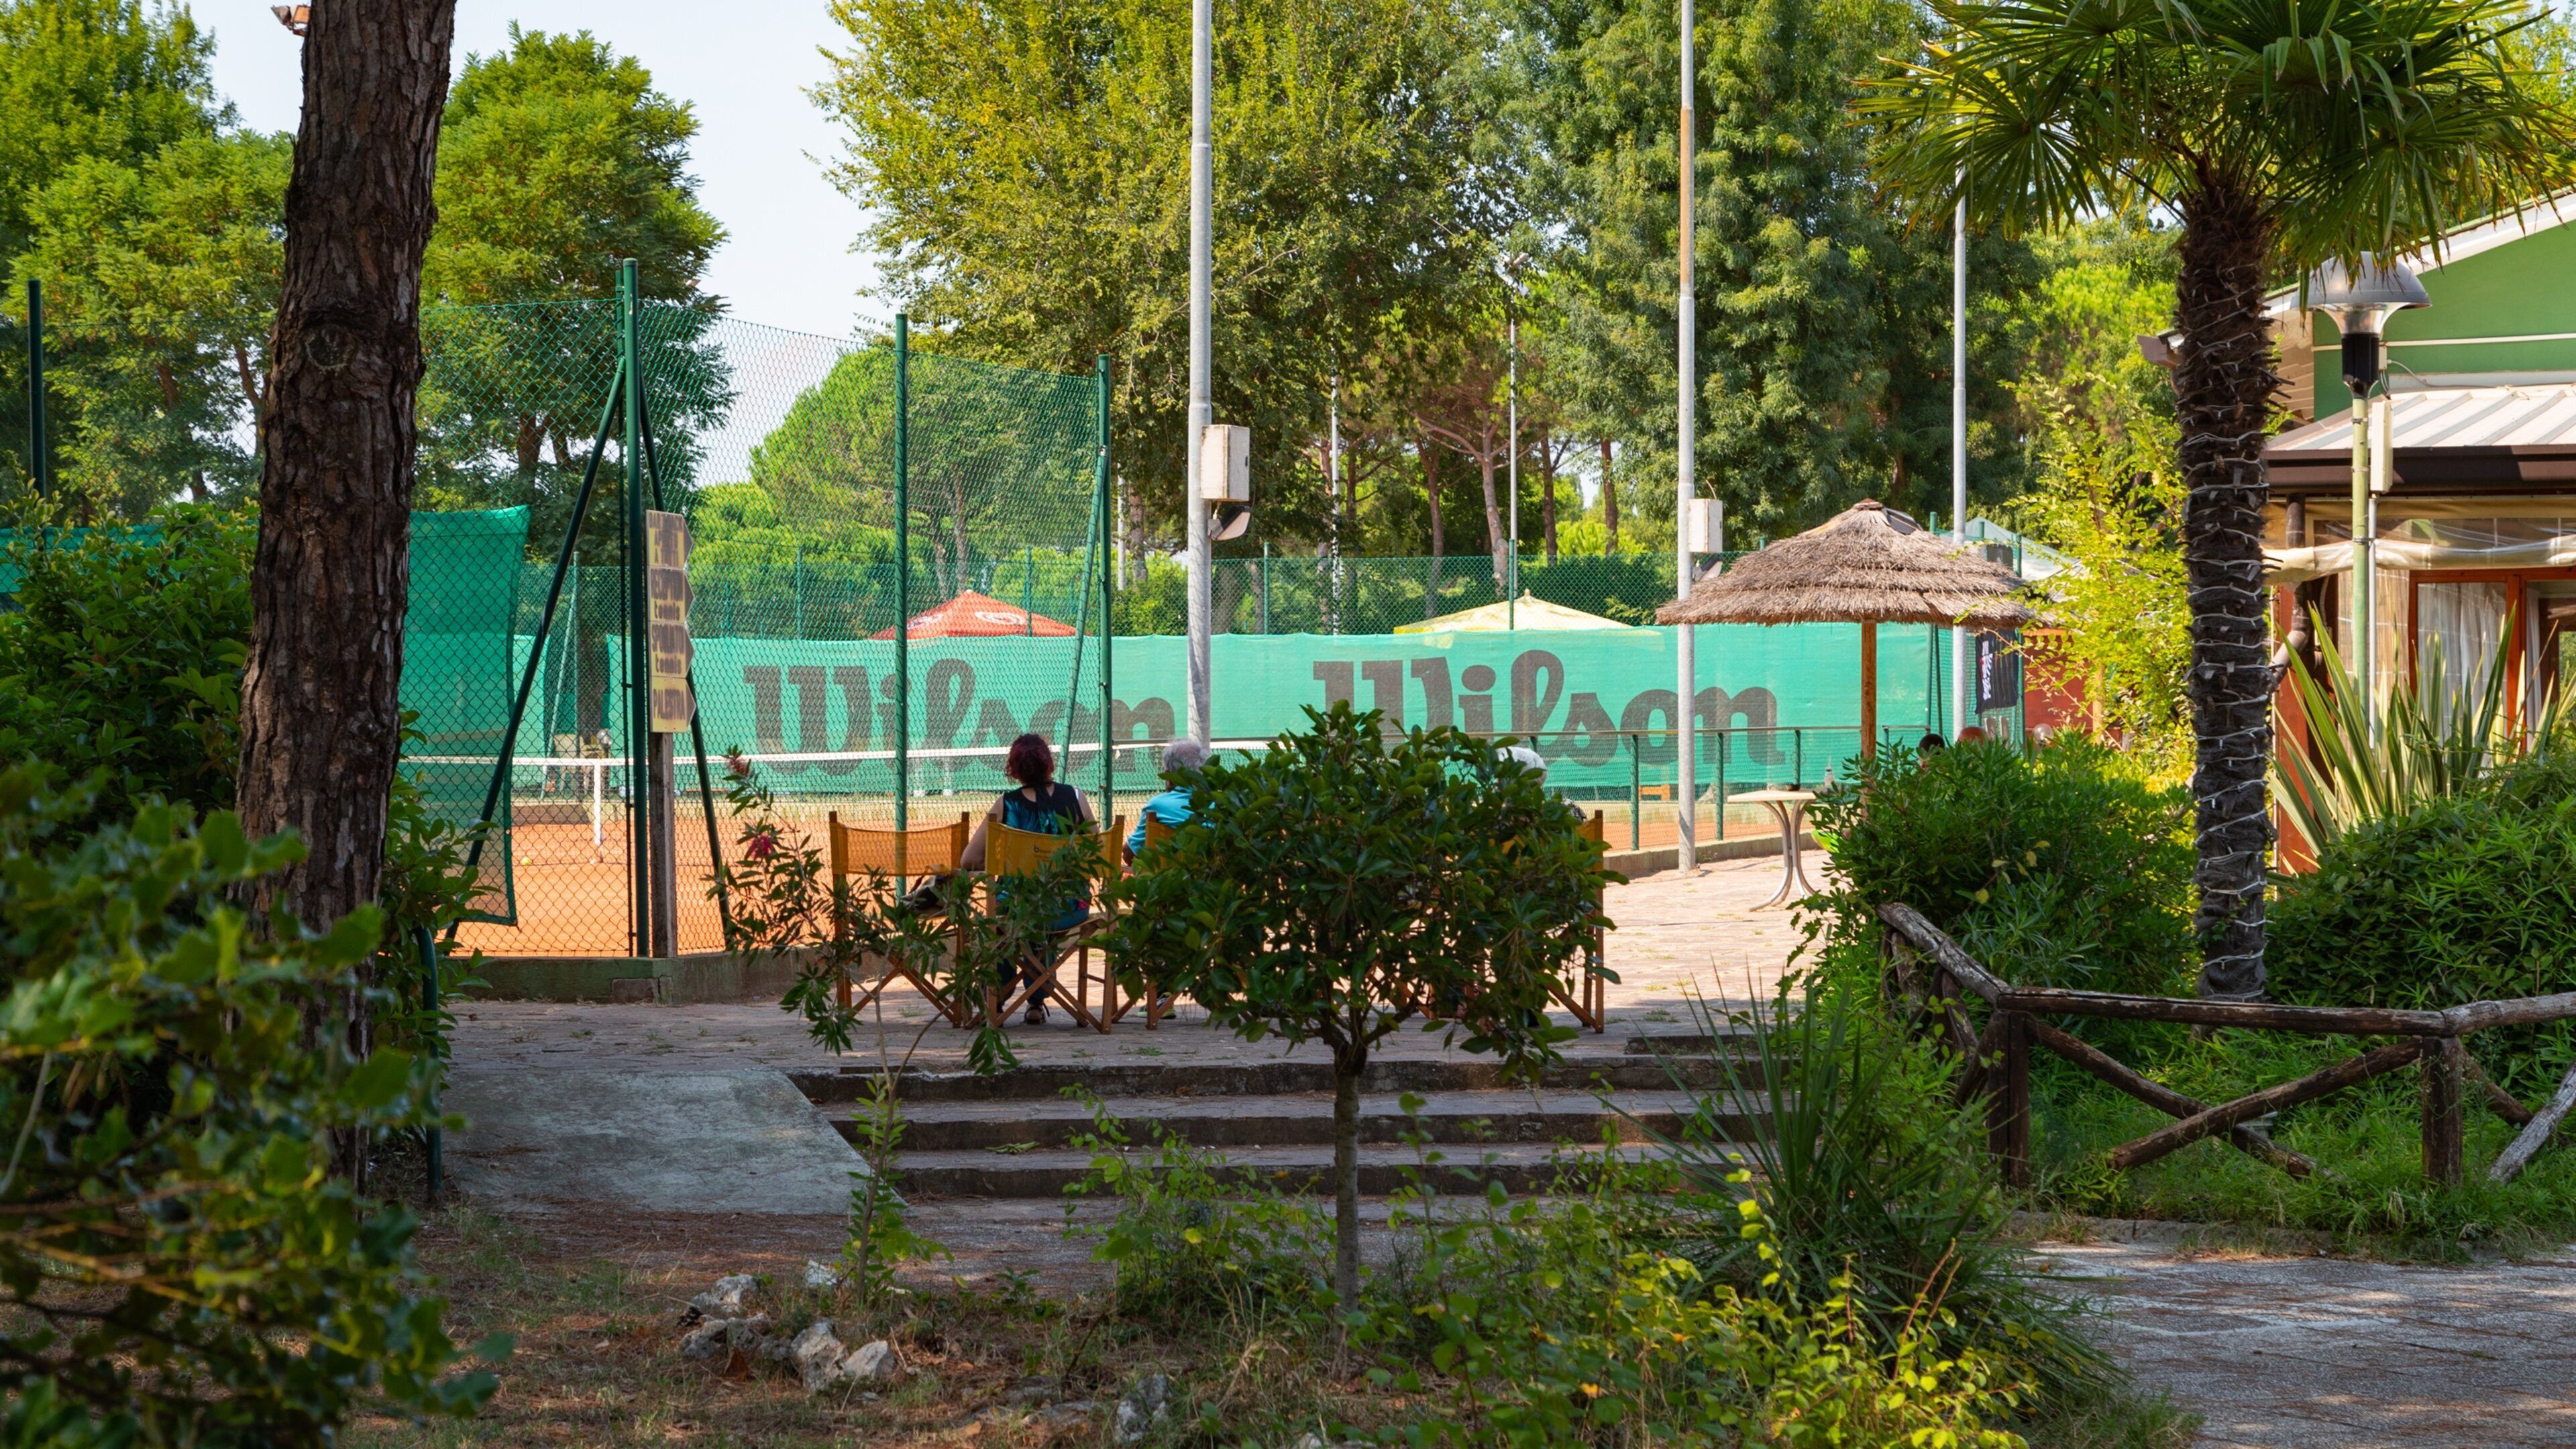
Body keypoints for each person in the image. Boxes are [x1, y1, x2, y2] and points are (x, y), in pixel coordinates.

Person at [961, 734, 1097, 1024]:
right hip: (1070, 909)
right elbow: (1094, 852)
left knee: (1008, 923)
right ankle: (1036, 1001)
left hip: (1017, 908)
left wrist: (1006, 864)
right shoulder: (1076, 797)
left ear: (1015, 768)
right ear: (1049, 763)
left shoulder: (1007, 804)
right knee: (1042, 922)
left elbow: (968, 861)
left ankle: (995, 999)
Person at [1126, 738, 1209, 861]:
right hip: (1212, 871)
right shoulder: (1221, 804)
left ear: (1168, 775)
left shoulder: (1157, 805)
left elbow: (1131, 854)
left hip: (1170, 872)